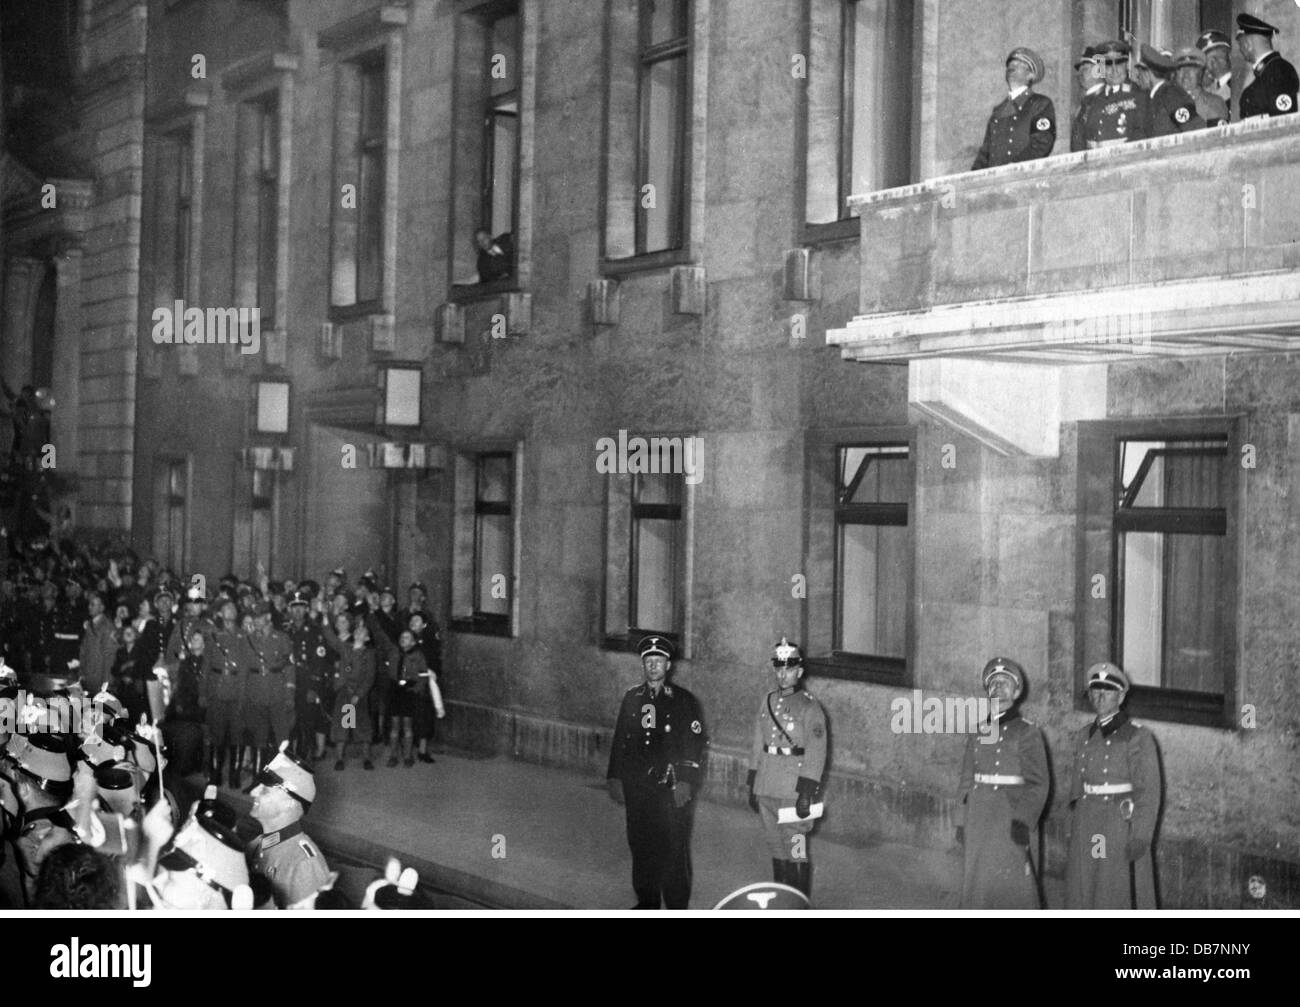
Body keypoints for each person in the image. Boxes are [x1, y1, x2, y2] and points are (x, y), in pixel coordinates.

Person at [606, 635, 707, 909]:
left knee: (674, 849)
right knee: (641, 845)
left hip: (671, 788)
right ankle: (647, 903)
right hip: (639, 788)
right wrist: (614, 776)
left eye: (658, 661)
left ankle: (676, 907)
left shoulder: (684, 701)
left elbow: (694, 744)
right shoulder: (632, 697)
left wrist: (686, 781)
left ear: (668, 665)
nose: (653, 666)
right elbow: (621, 739)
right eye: (648, 661)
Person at [1065, 662, 1162, 909]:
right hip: (1088, 820)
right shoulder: (1084, 734)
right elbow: (1077, 785)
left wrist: (1140, 836)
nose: (1099, 696)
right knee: (1085, 885)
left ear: (1121, 695)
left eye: (1107, 690)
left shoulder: (1138, 737)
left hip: (1117, 822)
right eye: (1094, 690)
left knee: (1113, 888)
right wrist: (1075, 821)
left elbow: (1148, 792)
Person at [955, 657, 1048, 909]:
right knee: (979, 882)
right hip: (979, 815)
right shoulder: (981, 730)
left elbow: (1038, 783)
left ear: (1017, 692)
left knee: (1013, 881)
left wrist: (1024, 819)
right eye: (993, 683)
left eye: (1005, 683)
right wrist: (961, 820)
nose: (998, 688)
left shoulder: (1027, 732)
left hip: (1010, 816)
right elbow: (966, 778)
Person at [745, 637, 826, 898]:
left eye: (789, 669)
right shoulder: (767, 700)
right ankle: (782, 903)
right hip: (767, 784)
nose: (783, 674)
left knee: (796, 849)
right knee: (776, 847)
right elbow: (759, 742)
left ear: (799, 672)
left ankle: (800, 905)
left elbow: (816, 751)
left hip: (793, 790)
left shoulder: (810, 706)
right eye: (778, 669)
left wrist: (807, 791)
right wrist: (753, 783)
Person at [249, 743, 331, 909]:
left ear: (289, 803)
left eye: (264, 790)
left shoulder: (304, 864)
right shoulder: (258, 844)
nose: (253, 792)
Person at [971, 46, 1056, 170]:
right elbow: (985, 154)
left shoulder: (1040, 103)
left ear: (1030, 75)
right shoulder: (998, 111)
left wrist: (1015, 167)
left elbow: (1041, 143)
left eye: (1019, 64)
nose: (1012, 67)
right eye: (1010, 64)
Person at [242, 602, 294, 790]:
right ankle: (259, 779)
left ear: (268, 618)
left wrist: (289, 693)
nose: (255, 621)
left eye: (259, 617)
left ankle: (285, 782)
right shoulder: (248, 639)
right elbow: (245, 670)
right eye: (253, 617)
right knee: (259, 738)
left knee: (282, 738)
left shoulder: (281, 638)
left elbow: (288, 666)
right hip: (256, 692)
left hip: (276, 691)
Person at [1071, 40, 1151, 150]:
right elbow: (1078, 140)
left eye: (1119, 63)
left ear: (1126, 65)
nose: (1114, 70)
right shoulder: (1090, 101)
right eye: (1108, 64)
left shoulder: (1139, 96)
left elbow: (1142, 135)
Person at [205, 598, 250, 789]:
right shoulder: (212, 634)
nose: (230, 610)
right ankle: (215, 775)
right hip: (217, 688)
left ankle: (234, 775)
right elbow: (206, 665)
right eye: (226, 608)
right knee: (217, 733)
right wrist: (203, 691)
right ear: (220, 614)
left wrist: (245, 692)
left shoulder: (244, 636)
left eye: (233, 607)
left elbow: (247, 666)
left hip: (237, 689)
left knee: (237, 733)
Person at [1235, 13, 1299, 120]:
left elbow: (1282, 120)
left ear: (1248, 45)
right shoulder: (1268, 71)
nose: (1240, 50)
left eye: (1240, 45)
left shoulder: (1279, 70)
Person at [1133, 43, 1204, 136]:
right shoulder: (1152, 97)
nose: (1138, 76)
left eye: (1140, 72)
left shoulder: (1171, 94)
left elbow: (1196, 128)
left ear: (1148, 73)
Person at [1174, 47, 1229, 127]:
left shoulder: (1214, 103)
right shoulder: (1168, 102)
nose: (1186, 74)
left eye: (1191, 69)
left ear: (1200, 73)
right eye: (1181, 69)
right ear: (1175, 73)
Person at [1196, 29, 1234, 110]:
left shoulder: (1238, 84)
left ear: (1230, 55)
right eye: (1209, 59)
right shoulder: (1207, 91)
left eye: (1218, 56)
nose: (1214, 62)